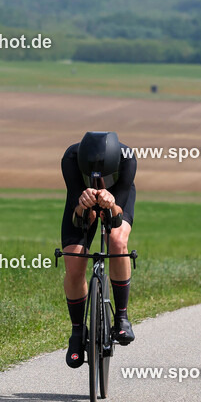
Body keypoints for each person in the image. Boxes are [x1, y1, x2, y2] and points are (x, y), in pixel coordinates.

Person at [60, 131, 137, 368]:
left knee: (117, 242)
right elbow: (77, 219)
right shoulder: (71, 159)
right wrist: (83, 205)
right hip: (81, 199)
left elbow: (117, 219)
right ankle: (76, 331)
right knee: (74, 259)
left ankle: (122, 317)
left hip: (117, 201)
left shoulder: (127, 159)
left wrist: (112, 204)